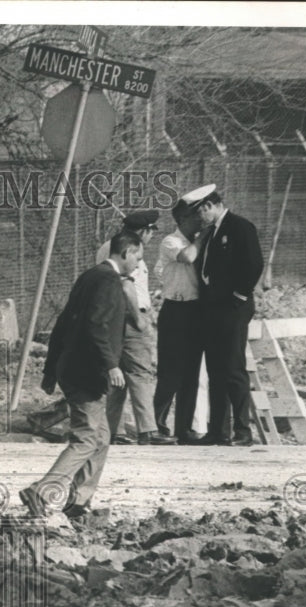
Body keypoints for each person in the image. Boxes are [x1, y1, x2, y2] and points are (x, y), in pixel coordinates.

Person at [19, 231, 137, 520]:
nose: (137, 264)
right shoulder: (109, 281)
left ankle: (78, 502)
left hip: (72, 368)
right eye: (138, 257)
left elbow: (63, 323)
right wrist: (111, 365)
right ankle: (43, 490)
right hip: (87, 371)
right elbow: (96, 326)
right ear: (127, 252)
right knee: (87, 437)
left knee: (102, 436)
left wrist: (50, 369)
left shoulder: (88, 276)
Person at [189, 184, 264, 446]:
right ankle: (218, 430)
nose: (200, 219)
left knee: (233, 368)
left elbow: (253, 264)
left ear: (209, 206)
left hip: (232, 308)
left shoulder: (240, 227)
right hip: (213, 310)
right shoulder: (212, 233)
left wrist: (239, 296)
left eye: (200, 213)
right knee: (216, 369)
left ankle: (243, 431)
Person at [96, 211, 174, 445]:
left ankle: (114, 430)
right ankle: (148, 430)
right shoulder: (132, 250)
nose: (150, 238)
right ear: (144, 231)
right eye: (151, 232)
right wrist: (139, 320)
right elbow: (126, 285)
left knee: (117, 376)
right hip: (131, 315)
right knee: (140, 372)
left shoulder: (107, 247)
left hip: (112, 317)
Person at [152, 198, 207, 443]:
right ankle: (157, 426)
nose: (200, 221)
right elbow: (187, 257)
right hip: (175, 309)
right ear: (184, 219)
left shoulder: (198, 242)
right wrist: (203, 237)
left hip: (196, 310)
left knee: (191, 374)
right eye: (195, 217)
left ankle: (184, 428)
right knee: (169, 373)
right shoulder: (171, 241)